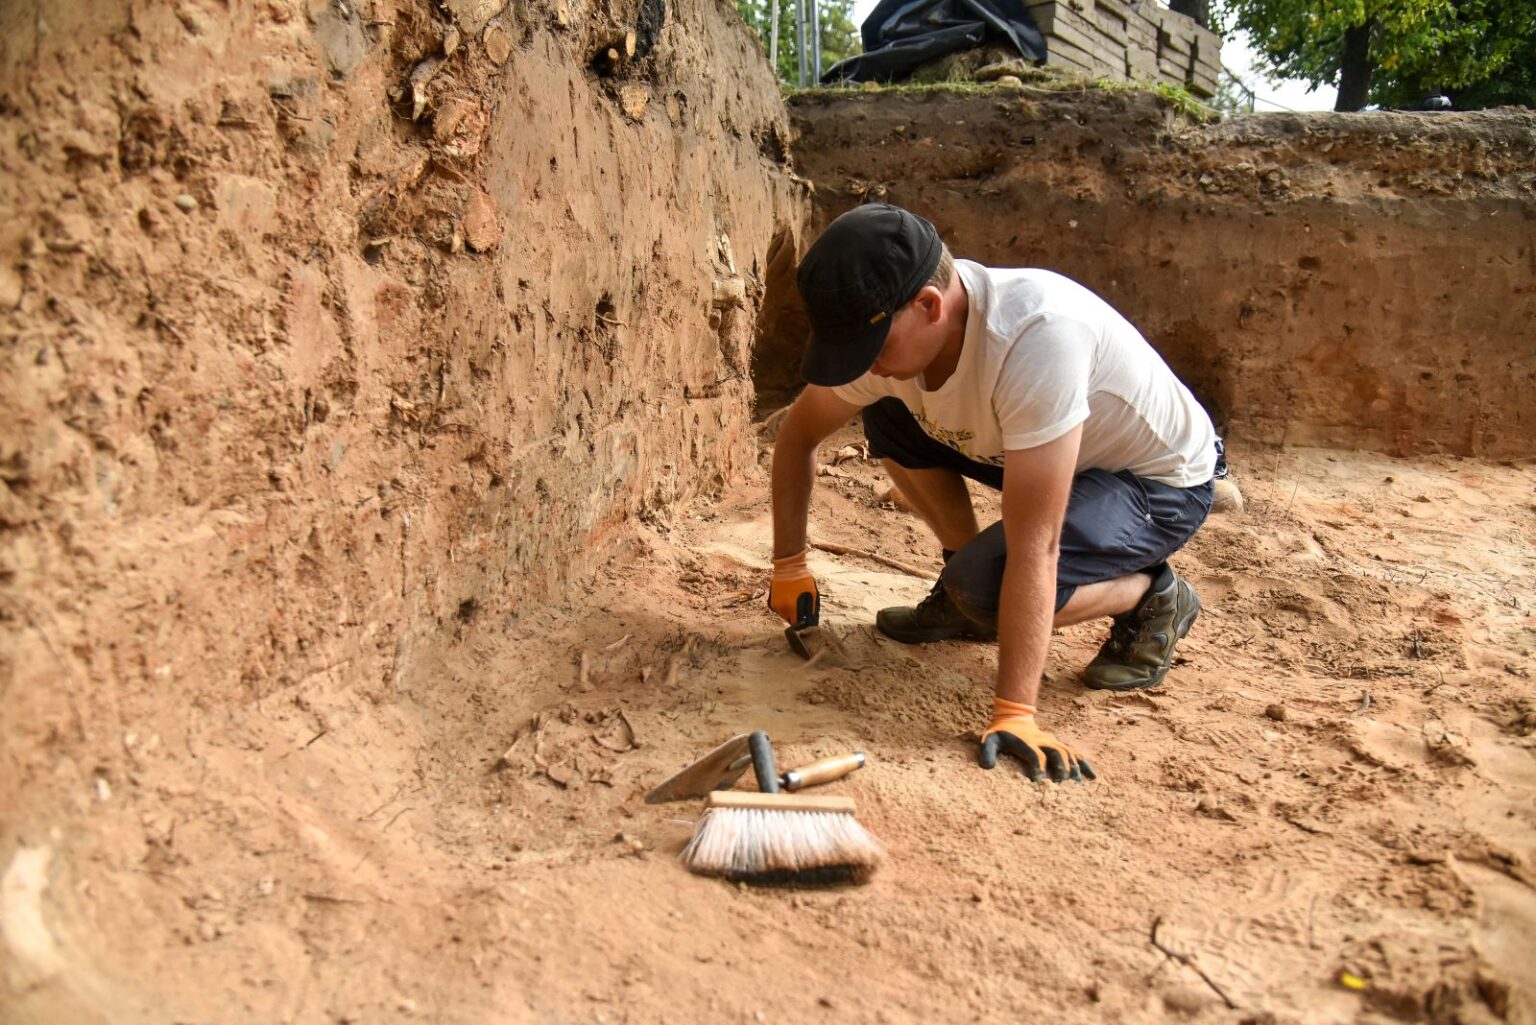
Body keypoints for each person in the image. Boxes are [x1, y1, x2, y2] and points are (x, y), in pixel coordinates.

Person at [767, 204, 1222, 784]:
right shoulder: (899, 335)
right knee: (888, 414)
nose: (862, 364)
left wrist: (1015, 713)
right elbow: (797, 437)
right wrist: (789, 563)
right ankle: (969, 588)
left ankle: (1152, 594)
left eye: (870, 347)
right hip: (1039, 449)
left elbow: (1040, 543)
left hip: (1155, 483)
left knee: (989, 586)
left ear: (929, 307)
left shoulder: (1037, 339)